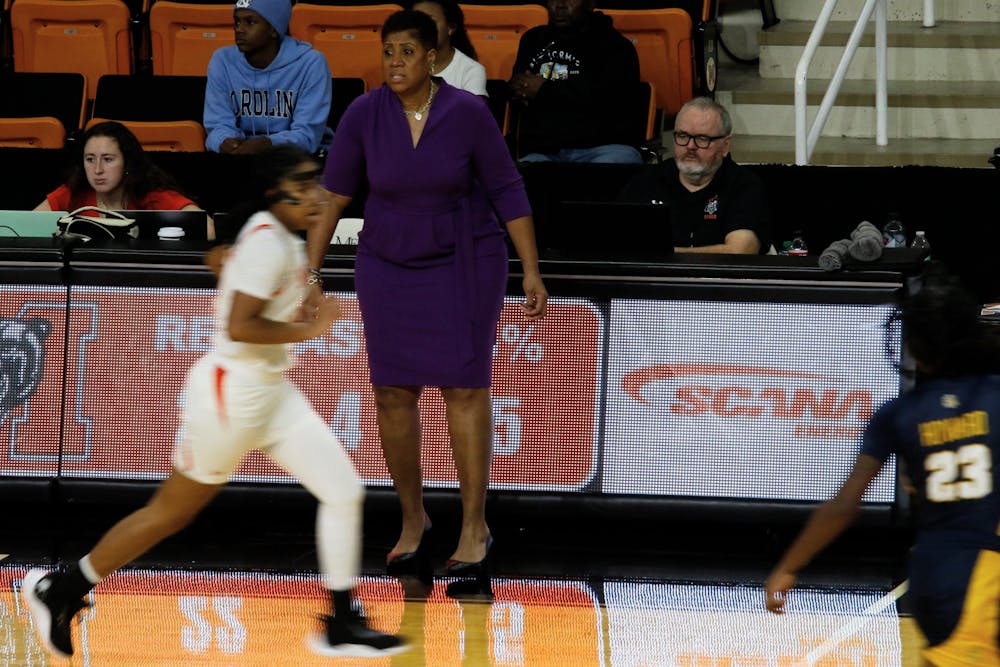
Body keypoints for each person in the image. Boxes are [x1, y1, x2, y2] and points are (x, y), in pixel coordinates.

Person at [21, 146, 406, 660]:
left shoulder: (272, 234)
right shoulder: (268, 242)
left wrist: (304, 286)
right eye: (306, 183)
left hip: (271, 393)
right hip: (232, 396)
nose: (317, 194)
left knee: (342, 489)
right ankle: (62, 589)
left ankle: (341, 620)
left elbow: (219, 259)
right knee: (168, 514)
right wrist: (309, 325)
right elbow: (240, 326)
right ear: (277, 192)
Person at [309, 10, 548, 597]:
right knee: (393, 391)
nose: (394, 62)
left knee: (464, 388)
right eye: (387, 51)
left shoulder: (468, 113)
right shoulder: (364, 113)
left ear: (433, 54)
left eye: (406, 52)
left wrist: (532, 271)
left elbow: (507, 190)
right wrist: (308, 271)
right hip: (388, 265)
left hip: (464, 262)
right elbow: (332, 194)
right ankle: (414, 519)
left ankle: (474, 529)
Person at [765, 265, 1000, 666]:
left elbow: (843, 506)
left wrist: (788, 566)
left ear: (917, 346)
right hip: (979, 579)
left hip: (937, 575)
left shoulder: (899, 414)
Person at [619, 97, 770, 254]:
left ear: (725, 146)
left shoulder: (744, 186)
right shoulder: (646, 181)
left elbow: (740, 252)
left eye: (702, 138)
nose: (690, 146)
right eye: (683, 136)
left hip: (716, 278)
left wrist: (664, 254)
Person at [506, 0, 643, 164]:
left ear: (590, 4)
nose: (560, 5)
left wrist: (543, 90)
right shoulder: (533, 39)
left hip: (602, 147)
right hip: (544, 149)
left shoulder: (616, 47)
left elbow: (603, 101)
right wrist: (517, 89)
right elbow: (519, 87)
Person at [204, 0, 333, 155]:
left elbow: (307, 136)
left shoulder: (311, 63)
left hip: (292, 158)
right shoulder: (222, 60)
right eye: (237, 22)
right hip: (239, 158)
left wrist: (268, 144)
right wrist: (224, 141)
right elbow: (217, 125)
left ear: (273, 29)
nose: (239, 29)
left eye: (250, 22)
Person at [411, 0, 487, 97]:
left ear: (451, 27)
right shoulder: (402, 64)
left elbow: (471, 111)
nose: (420, 29)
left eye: (430, 21)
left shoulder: (471, 71)